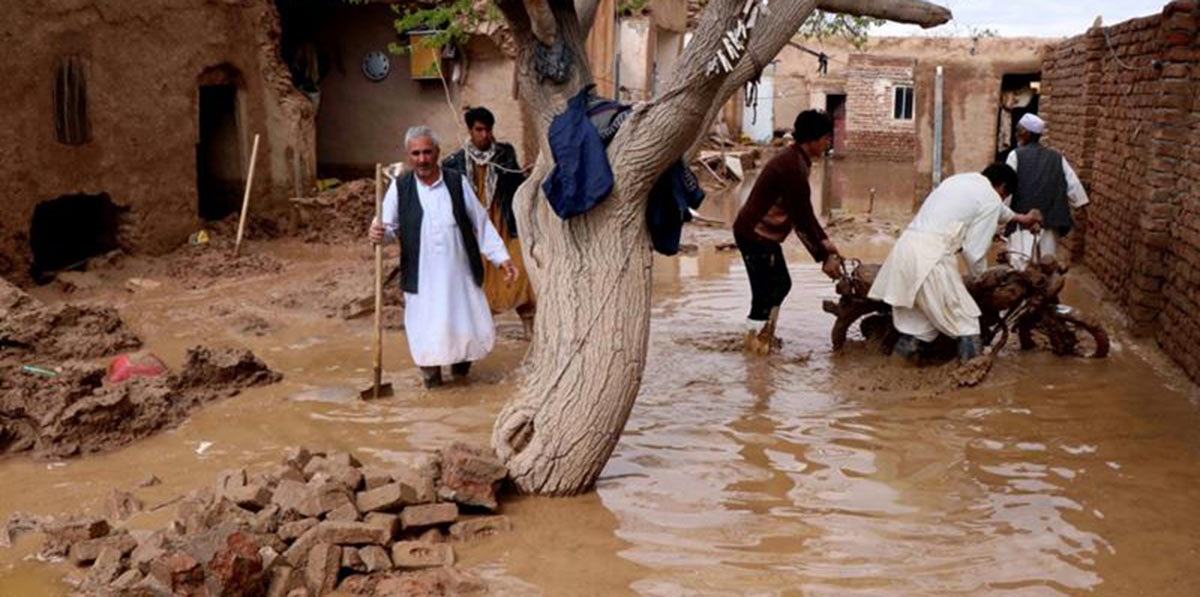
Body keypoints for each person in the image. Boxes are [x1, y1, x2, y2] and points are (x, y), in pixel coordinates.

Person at [369, 126, 518, 389]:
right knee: (426, 332)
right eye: (416, 153)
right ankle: (432, 382)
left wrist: (501, 258)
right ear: (409, 156)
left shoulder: (456, 182)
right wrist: (378, 233)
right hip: (422, 277)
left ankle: (462, 379)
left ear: (437, 152)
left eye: (427, 152)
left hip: (459, 274)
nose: (422, 159)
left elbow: (480, 223)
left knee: (464, 331)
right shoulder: (399, 188)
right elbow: (387, 229)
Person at [868, 164, 1042, 364]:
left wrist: (1022, 218)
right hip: (932, 259)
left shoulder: (959, 181)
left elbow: (995, 208)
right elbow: (973, 252)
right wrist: (983, 280)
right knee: (967, 323)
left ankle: (892, 375)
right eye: (1004, 195)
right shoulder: (991, 199)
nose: (1001, 200)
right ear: (1002, 188)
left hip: (905, 252)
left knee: (919, 329)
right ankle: (968, 384)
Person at [733, 110, 842, 354]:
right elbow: (801, 218)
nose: (828, 143)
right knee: (766, 292)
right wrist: (824, 255)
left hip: (762, 235)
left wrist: (826, 245)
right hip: (754, 235)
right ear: (812, 139)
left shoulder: (798, 160)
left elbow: (804, 214)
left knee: (780, 284)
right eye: (826, 138)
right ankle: (755, 348)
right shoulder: (792, 167)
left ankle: (764, 337)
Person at [442, 107, 536, 339]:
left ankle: (528, 328)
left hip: (504, 223)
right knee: (478, 280)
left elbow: (515, 186)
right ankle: (480, 334)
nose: (484, 135)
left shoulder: (504, 154)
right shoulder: (454, 162)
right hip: (474, 230)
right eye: (479, 130)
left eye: (488, 129)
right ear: (470, 130)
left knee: (520, 270)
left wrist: (528, 177)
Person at [1004, 113, 1089, 270]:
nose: (1017, 134)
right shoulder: (1057, 157)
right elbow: (1073, 185)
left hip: (1023, 220)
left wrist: (1004, 214)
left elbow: (1007, 188)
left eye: (1019, 130)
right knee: (1047, 263)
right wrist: (1080, 204)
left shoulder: (1015, 155)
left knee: (1020, 264)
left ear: (1027, 133)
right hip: (1050, 220)